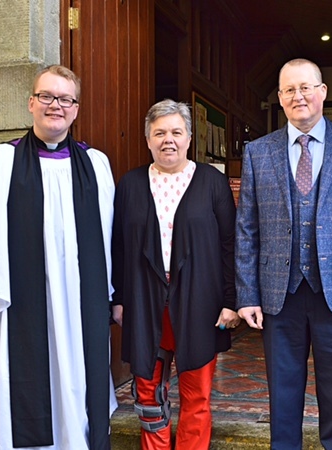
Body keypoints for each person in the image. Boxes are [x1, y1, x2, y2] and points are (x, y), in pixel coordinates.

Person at [235, 58, 332, 449]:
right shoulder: (257, 152)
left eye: (306, 87)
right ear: (280, 99)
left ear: (322, 92)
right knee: (283, 399)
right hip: (278, 295)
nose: (298, 96)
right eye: (289, 90)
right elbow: (247, 229)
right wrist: (247, 294)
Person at [0, 65, 117, 450]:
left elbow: (108, 235)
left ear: (76, 108)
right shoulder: (1, 161)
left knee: (80, 374)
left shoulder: (96, 165)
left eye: (66, 99)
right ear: (31, 103)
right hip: (24, 297)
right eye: (47, 97)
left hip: (80, 297)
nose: (56, 106)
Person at [111, 99, 239, 450]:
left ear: (189, 137)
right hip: (143, 299)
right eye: (160, 133)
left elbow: (230, 244)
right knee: (149, 392)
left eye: (176, 132)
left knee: (196, 392)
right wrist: (119, 298)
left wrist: (231, 301)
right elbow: (118, 248)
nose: (168, 139)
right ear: (148, 139)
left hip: (200, 300)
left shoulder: (213, 182)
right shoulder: (131, 184)